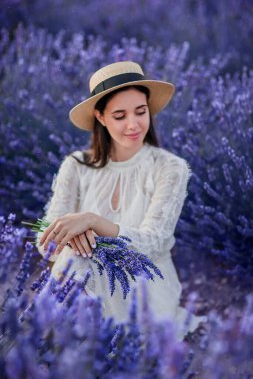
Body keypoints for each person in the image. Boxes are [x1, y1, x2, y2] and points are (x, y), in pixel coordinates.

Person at [36, 60, 207, 341]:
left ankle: (67, 340)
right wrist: (79, 237)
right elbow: (47, 242)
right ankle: (70, 340)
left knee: (78, 259)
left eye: (141, 112)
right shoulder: (76, 165)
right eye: (119, 116)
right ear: (100, 117)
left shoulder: (170, 167)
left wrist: (92, 222)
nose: (133, 124)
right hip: (83, 272)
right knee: (75, 257)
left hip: (145, 284)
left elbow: (153, 244)